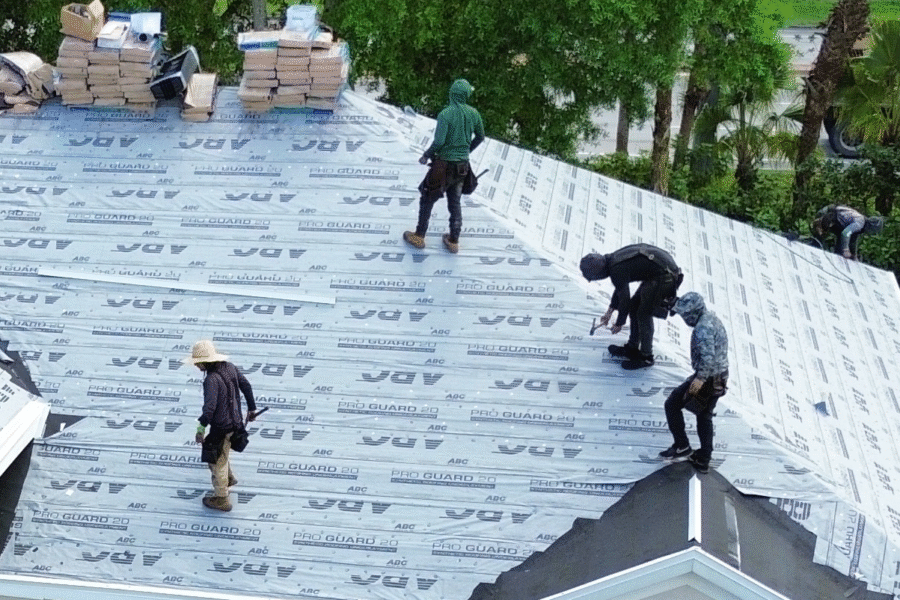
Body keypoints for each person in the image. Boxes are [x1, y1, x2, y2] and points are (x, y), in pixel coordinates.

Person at [403, 78, 485, 254]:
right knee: (454, 203)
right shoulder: (474, 113)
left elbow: (439, 141)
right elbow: (480, 137)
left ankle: (419, 235)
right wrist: (466, 151)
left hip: (443, 167)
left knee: (427, 198)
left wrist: (427, 155)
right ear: (466, 95)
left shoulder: (445, 114)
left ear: (451, 94)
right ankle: (454, 240)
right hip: (463, 167)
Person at [580, 243, 682, 370]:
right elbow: (620, 288)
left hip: (664, 275)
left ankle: (646, 357)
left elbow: (624, 300)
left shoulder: (615, 269)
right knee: (635, 307)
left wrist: (619, 323)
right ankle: (632, 347)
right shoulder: (612, 259)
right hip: (660, 270)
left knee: (643, 313)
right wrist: (609, 312)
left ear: (598, 274)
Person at [658, 292, 728, 474]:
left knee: (672, 403)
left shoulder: (702, 329)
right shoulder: (710, 317)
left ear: (692, 313)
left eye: (684, 315)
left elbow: (708, 361)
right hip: (719, 376)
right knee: (704, 415)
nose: (684, 319)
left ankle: (682, 446)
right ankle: (704, 457)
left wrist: (695, 385)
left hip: (708, 378)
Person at [186, 340, 258, 512]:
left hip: (221, 427)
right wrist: (252, 409)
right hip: (236, 423)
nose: (196, 366)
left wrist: (200, 430)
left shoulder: (211, 380)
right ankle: (229, 478)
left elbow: (209, 409)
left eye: (197, 363)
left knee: (216, 461)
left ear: (204, 362)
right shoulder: (230, 367)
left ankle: (221, 498)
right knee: (223, 453)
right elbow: (246, 385)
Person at [812, 204, 884, 260]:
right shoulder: (860, 223)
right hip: (827, 216)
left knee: (840, 245)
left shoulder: (860, 224)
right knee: (819, 241)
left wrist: (854, 255)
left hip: (835, 219)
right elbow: (846, 233)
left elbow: (853, 240)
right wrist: (846, 250)